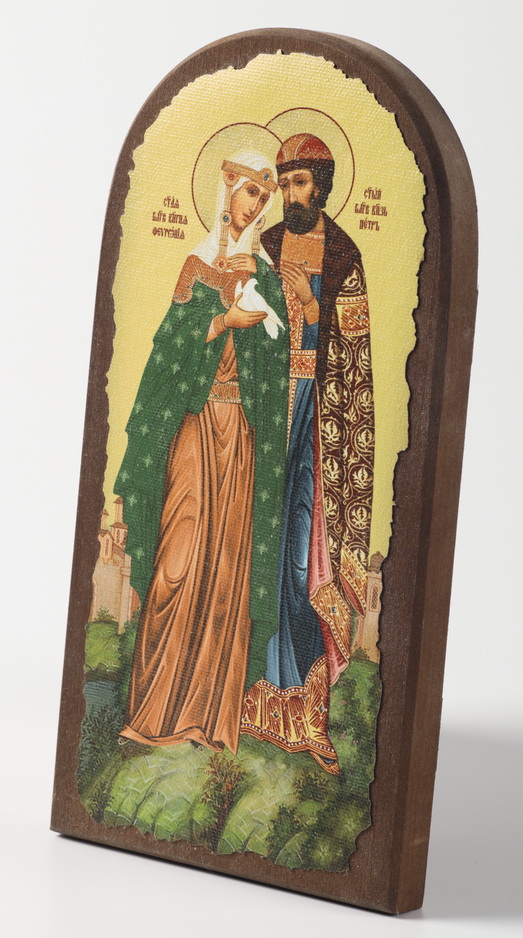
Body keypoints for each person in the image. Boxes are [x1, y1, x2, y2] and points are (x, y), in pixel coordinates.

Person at [116, 153, 289, 755]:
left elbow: (278, 361)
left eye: (263, 199)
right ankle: (153, 713)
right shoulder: (195, 264)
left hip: (240, 434)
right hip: (194, 424)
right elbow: (167, 349)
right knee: (178, 562)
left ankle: (207, 721)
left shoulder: (267, 274)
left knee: (227, 573)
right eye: (249, 193)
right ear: (227, 191)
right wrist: (223, 321)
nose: (255, 206)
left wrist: (261, 304)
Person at [241, 134, 375, 775]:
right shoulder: (265, 245)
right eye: (284, 182)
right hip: (266, 416)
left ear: (320, 185)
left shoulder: (344, 255)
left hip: (316, 429)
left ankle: (307, 713)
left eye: (301, 182)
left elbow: (355, 356)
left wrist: (314, 305)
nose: (291, 195)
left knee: (300, 565)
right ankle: (249, 704)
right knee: (254, 556)